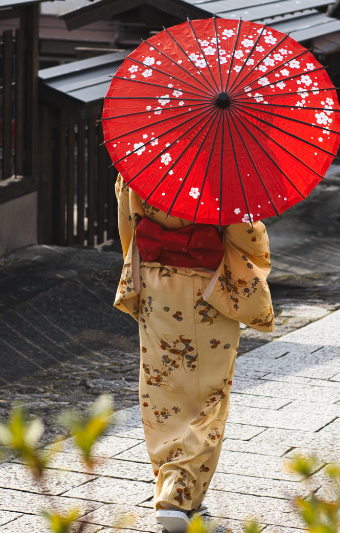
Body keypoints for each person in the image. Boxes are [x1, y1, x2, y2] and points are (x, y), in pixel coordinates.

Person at [113, 174, 275, 533]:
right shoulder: (222, 165)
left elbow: (130, 225)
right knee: (209, 397)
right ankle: (178, 497)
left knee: (162, 394)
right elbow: (246, 235)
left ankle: (178, 492)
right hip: (207, 287)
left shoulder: (140, 159)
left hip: (157, 285)